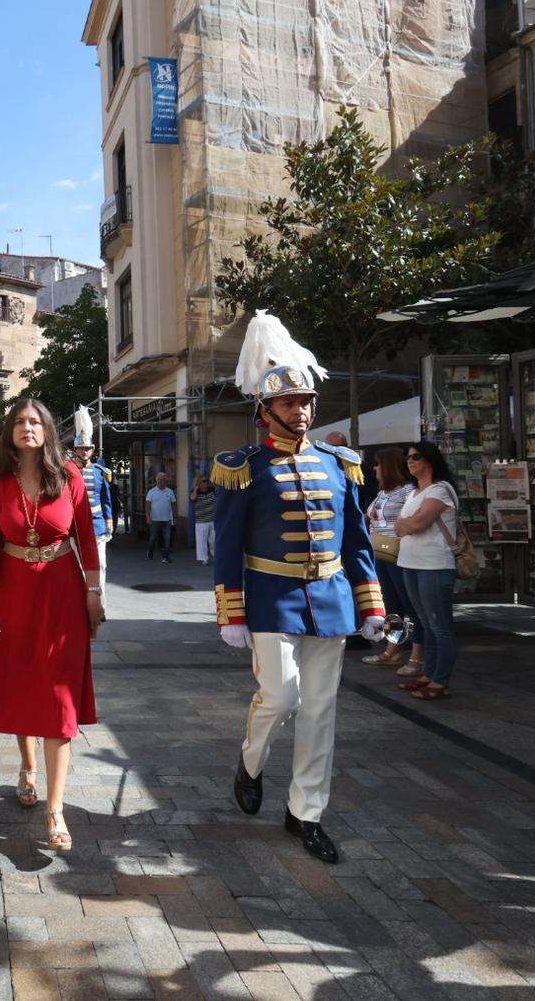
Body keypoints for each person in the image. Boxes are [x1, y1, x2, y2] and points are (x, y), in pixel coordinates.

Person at [212, 311, 385, 864]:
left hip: (331, 599)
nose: (302, 411)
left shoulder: (341, 465)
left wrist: (371, 601)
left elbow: (356, 540)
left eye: (307, 402)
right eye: (290, 404)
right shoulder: (244, 467)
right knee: (282, 696)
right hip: (269, 597)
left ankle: (305, 812)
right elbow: (228, 546)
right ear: (266, 411)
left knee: (320, 710)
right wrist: (230, 611)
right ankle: (251, 761)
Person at [0, 399, 103, 852]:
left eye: (35, 421)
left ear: (48, 430)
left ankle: (55, 808)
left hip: (62, 593)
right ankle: (27, 766)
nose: (28, 428)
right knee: (22, 682)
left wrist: (94, 594)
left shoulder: (70, 476)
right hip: (14, 591)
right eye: (20, 422)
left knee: (58, 693)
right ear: (9, 432)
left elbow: (87, 540)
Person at [393, 442, 461, 702]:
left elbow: (418, 523)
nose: (410, 461)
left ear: (431, 460)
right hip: (410, 563)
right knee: (425, 622)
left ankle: (440, 679)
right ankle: (428, 674)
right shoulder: (414, 493)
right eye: (408, 458)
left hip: (434, 565)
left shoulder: (441, 490)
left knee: (439, 625)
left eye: (416, 457)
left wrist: (408, 524)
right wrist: (407, 524)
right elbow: (399, 525)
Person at [360, 447, 421, 675]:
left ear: (388, 467)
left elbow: (412, 519)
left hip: (399, 554)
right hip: (380, 554)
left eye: (378, 464)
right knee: (391, 605)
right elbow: (368, 516)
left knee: (409, 605)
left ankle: (417, 654)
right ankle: (392, 649)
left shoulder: (408, 491)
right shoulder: (383, 492)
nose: (374, 469)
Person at [70, 406, 114, 591]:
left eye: (88, 448)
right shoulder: (68, 471)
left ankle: (100, 598)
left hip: (97, 524)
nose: (85, 451)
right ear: (76, 449)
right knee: (79, 566)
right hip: (75, 524)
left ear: (92, 450)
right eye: (82, 448)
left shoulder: (100, 472)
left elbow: (106, 500)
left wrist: (109, 522)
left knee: (100, 564)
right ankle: (83, 599)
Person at [145, 472, 177, 562]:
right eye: (159, 479)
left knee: (167, 539)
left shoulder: (170, 492)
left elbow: (174, 504)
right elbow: (147, 505)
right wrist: (148, 516)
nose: (160, 481)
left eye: (162, 479)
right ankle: (150, 550)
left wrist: (175, 517)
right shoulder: (151, 492)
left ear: (165, 480)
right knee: (153, 538)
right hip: (155, 519)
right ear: (156, 480)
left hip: (167, 519)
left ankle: (165, 557)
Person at [190, 474, 217, 564]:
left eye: (207, 481)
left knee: (213, 539)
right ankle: (204, 558)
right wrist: (195, 489)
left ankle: (214, 554)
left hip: (213, 519)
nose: (206, 483)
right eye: (204, 481)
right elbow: (192, 498)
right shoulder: (195, 493)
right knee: (202, 540)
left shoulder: (212, 490)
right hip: (201, 521)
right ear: (198, 483)